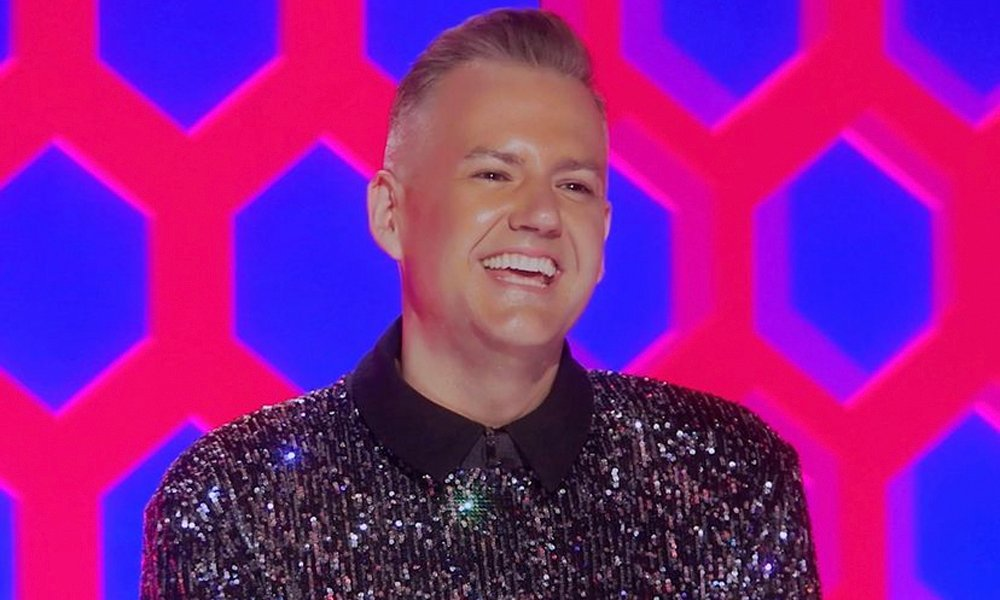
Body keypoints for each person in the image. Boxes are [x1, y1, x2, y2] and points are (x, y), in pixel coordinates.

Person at [141, 8, 820, 598]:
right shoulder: (238, 502)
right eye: (494, 174)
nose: (541, 215)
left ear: (604, 232)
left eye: (575, 187)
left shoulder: (724, 474)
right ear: (390, 214)